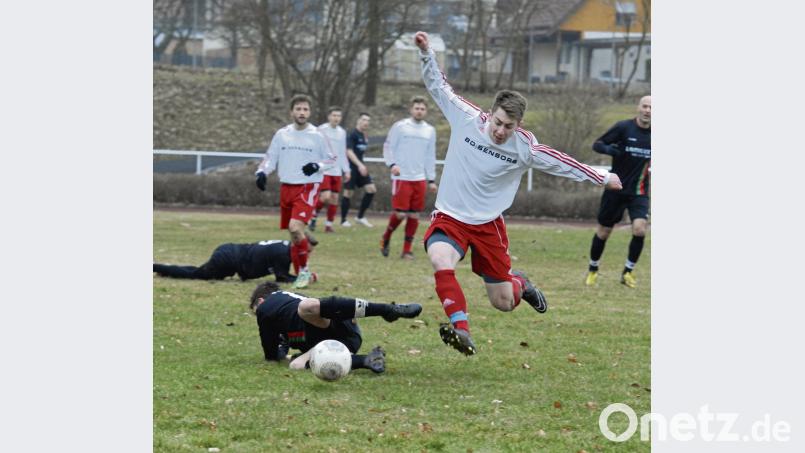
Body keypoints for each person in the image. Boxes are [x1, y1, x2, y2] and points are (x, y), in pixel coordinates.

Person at [413, 31, 623, 356]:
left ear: (518, 124)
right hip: (450, 217)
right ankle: (461, 329)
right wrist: (427, 53)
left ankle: (520, 284)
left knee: (503, 302)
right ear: (491, 112)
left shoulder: (525, 146)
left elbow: (561, 162)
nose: (500, 131)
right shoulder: (466, 118)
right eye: (497, 123)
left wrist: (601, 176)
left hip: (487, 224)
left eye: (508, 127)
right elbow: (439, 87)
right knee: (441, 259)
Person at [250, 281, 423, 373]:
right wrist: (288, 354)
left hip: (336, 324)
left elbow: (270, 354)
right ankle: (367, 360)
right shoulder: (282, 319)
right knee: (296, 365)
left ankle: (386, 310)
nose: (258, 316)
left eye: (255, 311)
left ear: (260, 302)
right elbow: (279, 351)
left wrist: (274, 354)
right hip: (342, 344)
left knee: (305, 308)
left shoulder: (268, 307)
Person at [255, 94, 336, 289]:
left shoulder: (317, 135)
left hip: (307, 187)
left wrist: (316, 166)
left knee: (294, 228)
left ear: (310, 112)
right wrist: (262, 172)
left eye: (305, 109)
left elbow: (332, 159)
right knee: (294, 235)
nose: (302, 113)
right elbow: (270, 158)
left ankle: (303, 272)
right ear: (292, 112)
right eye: (298, 109)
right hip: (287, 187)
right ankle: (303, 268)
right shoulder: (282, 134)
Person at [585, 95, 651, 288]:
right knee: (604, 231)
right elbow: (597, 144)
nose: (648, 110)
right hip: (615, 187)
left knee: (639, 229)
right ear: (638, 108)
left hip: (639, 191)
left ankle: (627, 272)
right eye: (645, 106)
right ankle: (593, 269)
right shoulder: (624, 128)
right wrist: (611, 151)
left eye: (651, 108)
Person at [381, 95, 438, 260]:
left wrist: (431, 179)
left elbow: (430, 156)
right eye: (416, 108)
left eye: (422, 108)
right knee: (399, 214)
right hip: (402, 177)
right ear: (411, 109)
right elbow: (388, 147)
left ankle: (407, 250)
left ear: (426, 111)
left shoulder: (430, 130)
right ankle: (386, 236)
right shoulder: (400, 126)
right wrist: (392, 165)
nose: (419, 111)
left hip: (419, 179)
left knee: (414, 215)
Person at [152, 235, 318, 283]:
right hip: (229, 259)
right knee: (196, 274)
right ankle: (155, 267)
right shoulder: (283, 255)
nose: (307, 255)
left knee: (198, 271)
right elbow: (281, 277)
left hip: (230, 253)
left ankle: (162, 269)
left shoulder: (285, 246)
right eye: (306, 251)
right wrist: (303, 279)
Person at [311, 106, 351, 233]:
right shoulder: (321, 130)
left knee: (334, 198)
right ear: (329, 117)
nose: (336, 118)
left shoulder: (342, 132)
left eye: (338, 116)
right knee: (325, 196)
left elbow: (342, 152)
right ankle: (313, 216)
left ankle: (328, 225)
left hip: (336, 170)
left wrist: (347, 169)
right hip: (324, 169)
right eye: (334, 115)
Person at [340, 113, 376, 228]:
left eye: (368, 120)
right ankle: (343, 220)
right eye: (364, 119)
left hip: (360, 167)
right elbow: (349, 152)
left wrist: (361, 165)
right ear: (358, 120)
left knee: (371, 189)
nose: (366, 122)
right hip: (351, 167)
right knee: (348, 193)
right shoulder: (352, 134)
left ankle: (360, 217)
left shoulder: (364, 135)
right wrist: (360, 165)